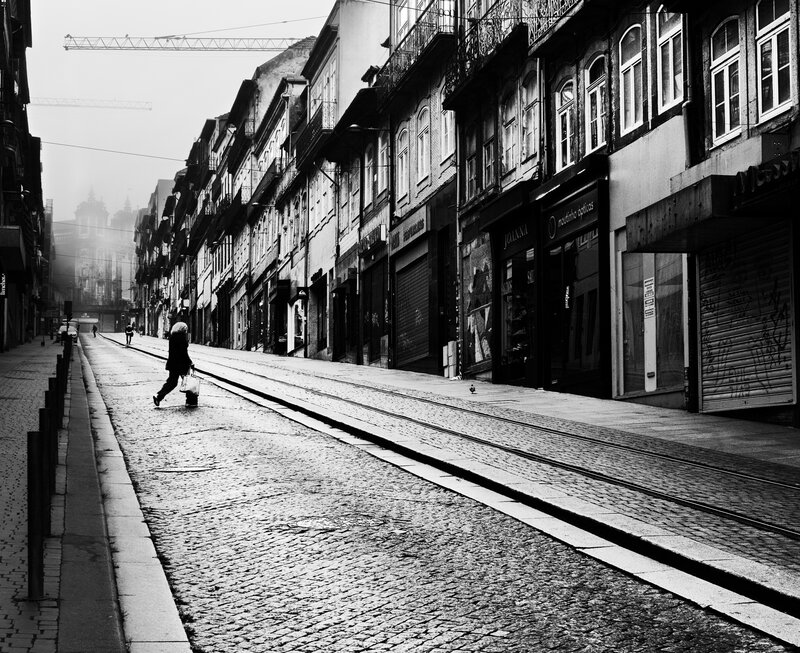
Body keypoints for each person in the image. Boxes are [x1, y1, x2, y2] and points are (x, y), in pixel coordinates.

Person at [153, 322, 193, 407]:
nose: (186, 331)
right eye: (185, 329)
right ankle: (191, 401)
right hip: (181, 364)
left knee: (172, 382)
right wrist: (190, 362)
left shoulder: (172, 337)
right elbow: (183, 352)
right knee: (188, 382)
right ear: (182, 329)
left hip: (173, 364)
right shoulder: (182, 338)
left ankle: (159, 396)